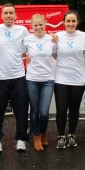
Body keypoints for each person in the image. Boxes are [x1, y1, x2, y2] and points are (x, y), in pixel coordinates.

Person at [0, 3, 29, 152]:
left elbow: (30, 47)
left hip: (18, 76)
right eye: (5, 13)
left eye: (11, 13)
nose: (8, 16)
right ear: (1, 15)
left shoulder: (22, 30)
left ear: (15, 15)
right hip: (0, 77)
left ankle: (21, 138)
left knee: (21, 110)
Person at [54, 10, 85, 149]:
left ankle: (72, 135)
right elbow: (54, 54)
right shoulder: (57, 37)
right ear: (64, 22)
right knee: (61, 109)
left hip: (79, 79)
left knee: (74, 109)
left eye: (73, 21)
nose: (71, 24)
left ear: (77, 22)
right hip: (61, 78)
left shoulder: (84, 36)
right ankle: (61, 136)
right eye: (68, 21)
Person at [24, 14, 56, 152]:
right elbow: (17, 53)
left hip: (48, 79)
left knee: (44, 112)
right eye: (35, 25)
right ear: (31, 26)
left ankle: (43, 133)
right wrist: (25, 57)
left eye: (40, 24)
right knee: (35, 110)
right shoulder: (26, 40)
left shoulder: (52, 39)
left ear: (45, 24)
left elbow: (56, 54)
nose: (38, 27)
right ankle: (36, 136)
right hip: (32, 79)